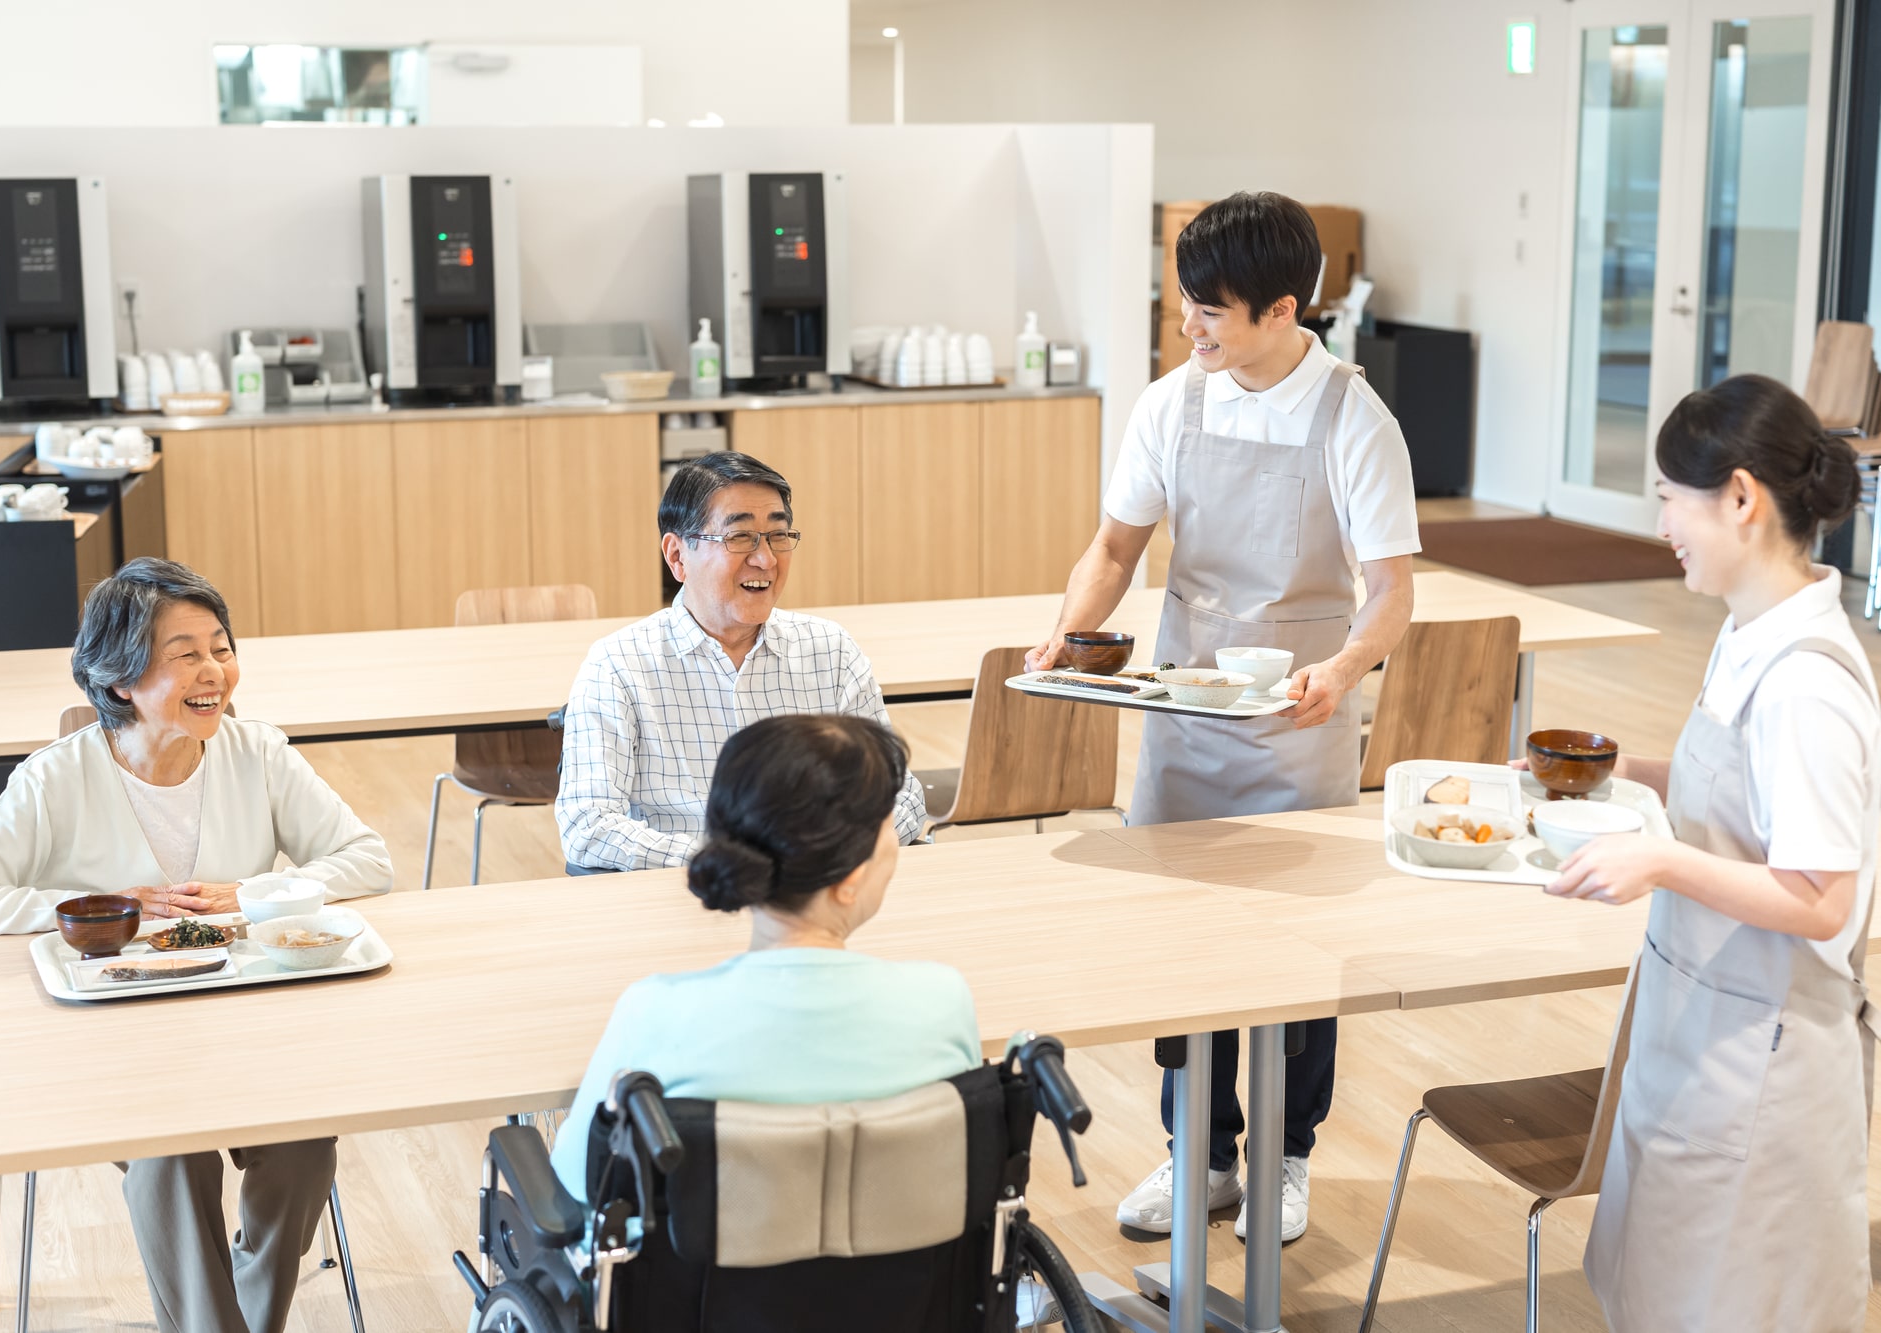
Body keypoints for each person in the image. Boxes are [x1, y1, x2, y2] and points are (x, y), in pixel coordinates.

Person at [1024, 193, 1420, 1241]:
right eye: (1183, 304)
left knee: (1300, 956)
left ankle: (1285, 1160)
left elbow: (1389, 591)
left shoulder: (1351, 416)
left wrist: (1339, 669)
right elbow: (1112, 551)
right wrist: (1067, 632)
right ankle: (1194, 1156)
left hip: (1299, 720)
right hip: (1183, 713)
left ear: (1281, 309)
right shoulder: (1171, 403)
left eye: (1208, 310)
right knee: (1178, 948)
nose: (1188, 325)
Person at [0, 558, 392, 1333]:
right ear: (121, 679)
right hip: (120, 1043)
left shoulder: (258, 752)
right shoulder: (55, 779)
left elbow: (367, 856)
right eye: (186, 654)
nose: (216, 673)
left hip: (250, 1022)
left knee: (304, 1149)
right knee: (171, 1158)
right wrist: (95, 907)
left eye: (222, 646)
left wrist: (253, 892)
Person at [1547, 376, 1875, 1331]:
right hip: (1703, 1030)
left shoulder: (1806, 687)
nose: (1661, 524)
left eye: (1669, 498)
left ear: (1740, 497)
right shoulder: (1751, 631)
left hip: (1762, 1073)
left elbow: (1821, 899)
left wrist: (1659, 864)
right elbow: (1729, 796)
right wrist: (1610, 772)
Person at [549, 713, 980, 1199]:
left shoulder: (655, 1013)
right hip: (907, 1271)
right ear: (851, 878)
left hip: (703, 1271)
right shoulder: (942, 1002)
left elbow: (578, 1178)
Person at [557, 451, 925, 873]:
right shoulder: (619, 665)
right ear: (678, 556)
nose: (766, 559)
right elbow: (588, 825)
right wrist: (734, 863)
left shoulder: (830, 649)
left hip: (817, 891)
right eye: (740, 538)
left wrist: (830, 853)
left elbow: (901, 792)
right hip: (683, 894)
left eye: (777, 536)